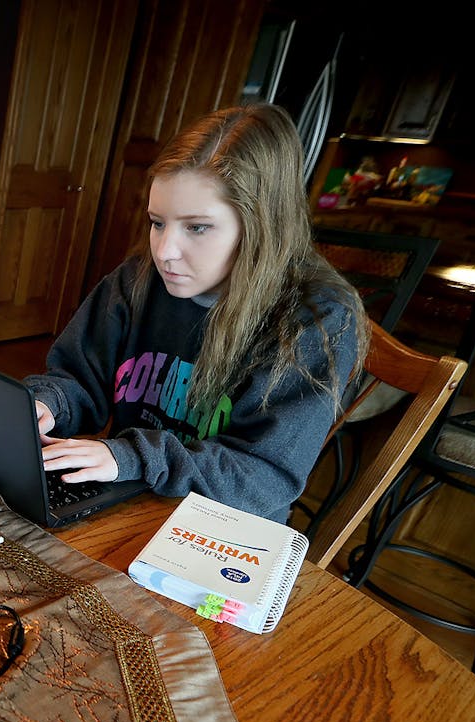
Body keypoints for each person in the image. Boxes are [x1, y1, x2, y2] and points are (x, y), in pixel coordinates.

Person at [25, 103, 367, 522]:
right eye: (157, 222)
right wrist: (48, 404)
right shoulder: (136, 281)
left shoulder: (317, 319)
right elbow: (79, 379)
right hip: (132, 501)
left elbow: (263, 476)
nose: (165, 252)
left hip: (225, 529)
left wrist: (134, 457)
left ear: (261, 225)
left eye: (197, 227)